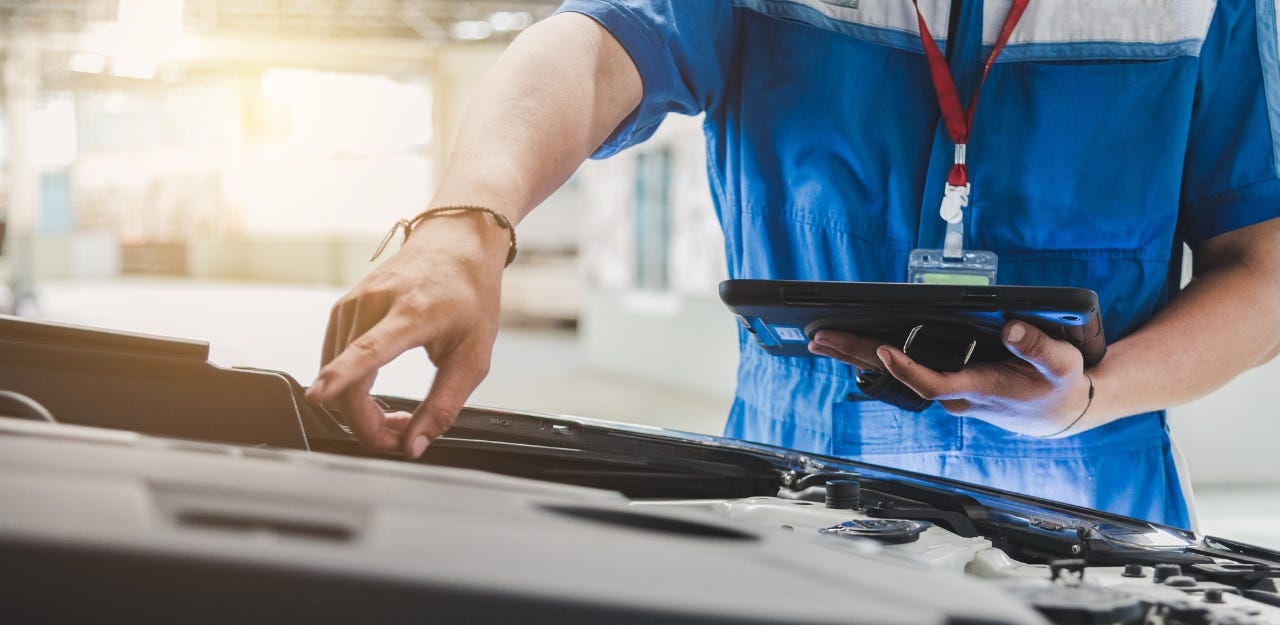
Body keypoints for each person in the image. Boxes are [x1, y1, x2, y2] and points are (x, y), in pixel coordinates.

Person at [306, 0, 1280, 529]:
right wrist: (465, 222)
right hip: (794, 486)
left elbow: (1261, 266)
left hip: (1088, 500)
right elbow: (592, 46)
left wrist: (1087, 397)